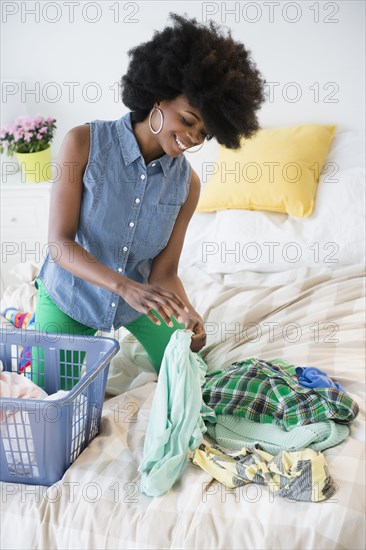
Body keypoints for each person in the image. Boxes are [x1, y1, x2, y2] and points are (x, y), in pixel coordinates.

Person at [32, 12, 266, 383]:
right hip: (71, 297)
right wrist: (124, 286)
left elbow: (164, 272)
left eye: (204, 133)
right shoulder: (83, 143)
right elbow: (59, 244)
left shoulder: (187, 185)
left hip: (139, 303)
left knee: (189, 374)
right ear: (157, 98)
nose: (192, 138)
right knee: (48, 396)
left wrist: (188, 311)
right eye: (188, 121)